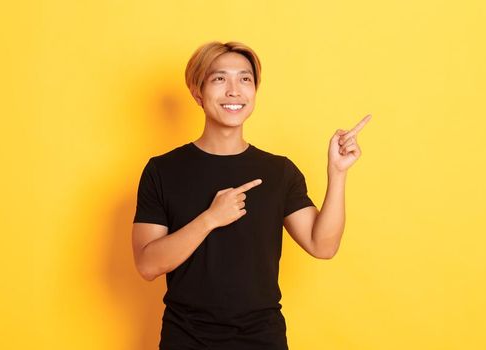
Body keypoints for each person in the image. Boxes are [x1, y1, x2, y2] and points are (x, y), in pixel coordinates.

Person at [132, 40, 370, 349]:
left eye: (245, 79)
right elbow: (147, 265)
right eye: (220, 79)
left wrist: (337, 173)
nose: (234, 90)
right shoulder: (162, 170)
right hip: (185, 339)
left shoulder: (279, 172)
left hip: (262, 339)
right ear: (197, 93)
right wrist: (209, 219)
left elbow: (322, 245)